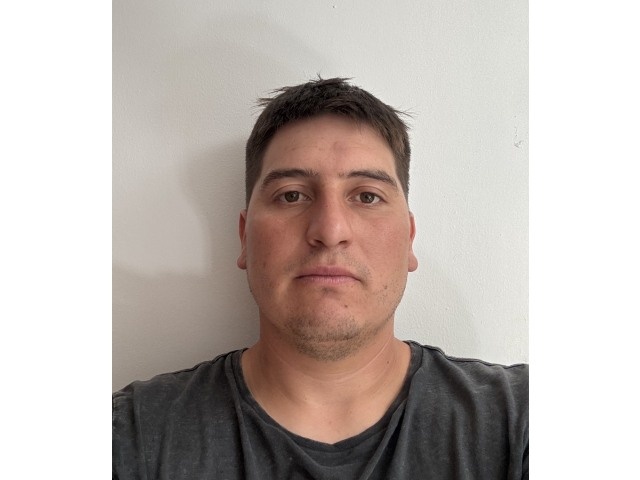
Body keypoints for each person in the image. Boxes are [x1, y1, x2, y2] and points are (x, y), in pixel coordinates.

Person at [112, 77, 528, 479]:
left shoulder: (521, 423)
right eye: (292, 195)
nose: (330, 230)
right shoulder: (133, 436)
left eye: (367, 196)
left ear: (409, 240)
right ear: (244, 238)